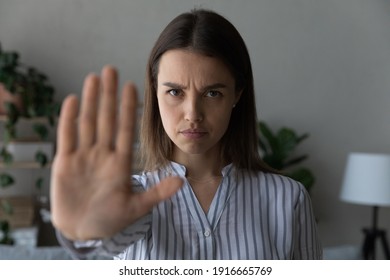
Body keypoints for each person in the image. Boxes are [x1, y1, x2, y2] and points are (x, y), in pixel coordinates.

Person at [51, 8, 322, 260]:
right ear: (155, 92)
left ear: (237, 94)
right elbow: (102, 233)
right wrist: (82, 233)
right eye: (175, 92)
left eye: (212, 93)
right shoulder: (131, 198)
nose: (193, 113)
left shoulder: (288, 199)